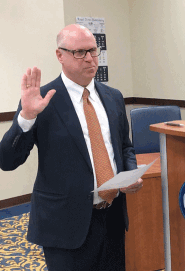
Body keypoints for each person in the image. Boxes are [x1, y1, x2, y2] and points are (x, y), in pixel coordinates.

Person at [0, 24, 143, 271]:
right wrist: (26, 117)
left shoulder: (113, 97)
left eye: (93, 51)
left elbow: (125, 147)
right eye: (79, 52)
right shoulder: (42, 100)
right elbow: (7, 160)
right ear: (60, 55)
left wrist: (131, 172)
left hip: (112, 219)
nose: (89, 59)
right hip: (65, 226)